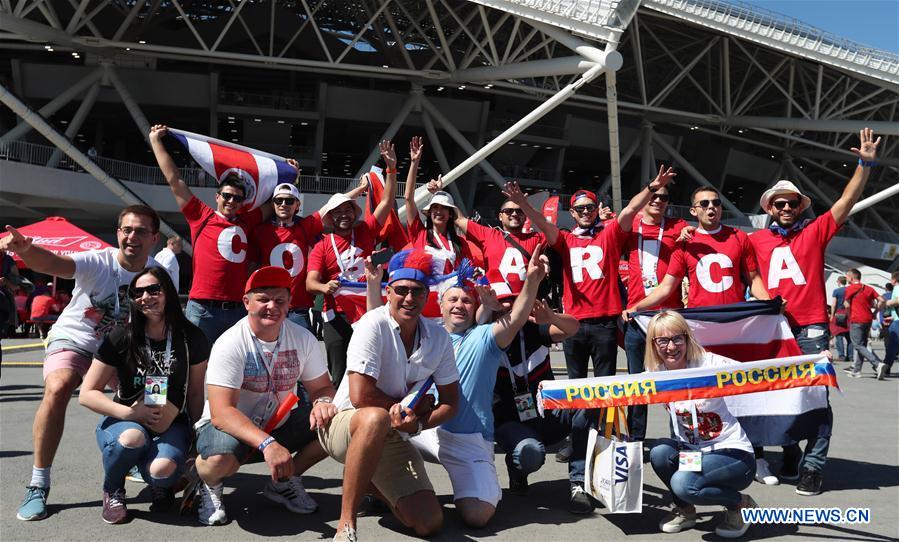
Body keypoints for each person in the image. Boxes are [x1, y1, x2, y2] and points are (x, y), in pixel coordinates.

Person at [2, 205, 161, 521]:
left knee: (156, 395)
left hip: (123, 350)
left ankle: (142, 460)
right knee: (58, 387)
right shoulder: (98, 260)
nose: (132, 236)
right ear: (118, 233)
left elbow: (161, 322)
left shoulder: (158, 274)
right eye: (127, 229)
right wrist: (28, 251)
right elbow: (55, 263)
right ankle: (38, 482)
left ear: (154, 238)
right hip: (77, 339)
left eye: (141, 231)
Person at [747, 127, 882, 493]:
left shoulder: (817, 230)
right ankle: (789, 450)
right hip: (772, 329)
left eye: (793, 203)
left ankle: (813, 465)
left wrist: (864, 165)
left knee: (815, 398)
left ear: (801, 206)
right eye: (780, 203)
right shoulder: (754, 240)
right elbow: (747, 274)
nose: (786, 208)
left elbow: (846, 200)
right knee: (773, 394)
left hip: (811, 329)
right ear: (770, 208)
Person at [318, 249, 461, 541]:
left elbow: (451, 403)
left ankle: (371, 480)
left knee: (429, 522)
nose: (409, 298)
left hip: (394, 430)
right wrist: (410, 413)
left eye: (417, 291)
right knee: (374, 418)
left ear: (426, 295)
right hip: (345, 424)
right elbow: (360, 395)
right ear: (388, 292)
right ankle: (347, 523)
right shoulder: (373, 324)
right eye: (401, 290)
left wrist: (418, 424)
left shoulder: (439, 337)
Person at [192, 266, 338, 526]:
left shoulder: (302, 338)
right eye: (263, 299)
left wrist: (323, 403)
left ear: (290, 303)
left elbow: (323, 388)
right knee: (218, 460)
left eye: (280, 300)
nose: (272, 306)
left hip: (277, 424)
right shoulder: (230, 343)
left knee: (335, 423)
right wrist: (267, 444)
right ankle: (208, 484)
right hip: (230, 429)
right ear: (247, 302)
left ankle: (283, 483)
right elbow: (221, 412)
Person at [507, 165, 676, 380]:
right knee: (575, 388)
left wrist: (653, 187)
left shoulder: (610, 234)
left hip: (605, 323)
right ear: (572, 213)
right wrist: (523, 204)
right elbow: (542, 223)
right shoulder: (565, 240)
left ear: (597, 209)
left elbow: (630, 210)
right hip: (572, 323)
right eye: (580, 209)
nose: (586, 211)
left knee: (604, 388)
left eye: (590, 207)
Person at [78, 268, 209, 524]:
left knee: (162, 471)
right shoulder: (122, 337)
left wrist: (197, 437)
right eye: (138, 292)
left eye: (154, 290)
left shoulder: (191, 337)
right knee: (132, 439)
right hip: (124, 421)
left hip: (171, 421)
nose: (145, 297)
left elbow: (194, 392)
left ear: (168, 293)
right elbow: (87, 393)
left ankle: (159, 482)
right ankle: (113, 488)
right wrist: (130, 413)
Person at [149, 124, 271, 343]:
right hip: (203, 309)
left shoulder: (247, 221)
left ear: (243, 202)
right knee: (196, 369)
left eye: (237, 198)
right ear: (217, 196)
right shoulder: (200, 215)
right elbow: (175, 180)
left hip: (237, 310)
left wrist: (292, 174)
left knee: (234, 371)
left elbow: (274, 203)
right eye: (227, 195)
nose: (231, 201)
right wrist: (156, 141)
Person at [645, 311, 758, 538]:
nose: (671, 347)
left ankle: (740, 505)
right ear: (653, 345)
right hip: (695, 453)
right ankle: (686, 511)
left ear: (687, 338)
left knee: (684, 483)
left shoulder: (711, 363)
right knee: (659, 452)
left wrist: (813, 363)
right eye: (663, 341)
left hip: (732, 455)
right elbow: (619, 391)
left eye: (677, 338)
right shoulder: (655, 374)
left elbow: (760, 375)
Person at [484, 276, 584, 510]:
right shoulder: (482, 337)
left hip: (547, 413)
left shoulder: (531, 328)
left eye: (511, 301)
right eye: (499, 303)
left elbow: (573, 328)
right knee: (530, 452)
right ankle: (517, 468)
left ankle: (579, 483)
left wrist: (551, 317)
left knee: (586, 408)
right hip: (509, 422)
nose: (506, 307)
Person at [306, 140, 398, 386]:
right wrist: (325, 288)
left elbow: (386, 203)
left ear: (354, 213)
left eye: (348, 210)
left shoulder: (366, 231)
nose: (343, 215)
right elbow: (310, 282)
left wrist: (391, 169)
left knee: (368, 367)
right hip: (335, 316)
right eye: (337, 212)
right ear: (331, 217)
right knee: (338, 372)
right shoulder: (322, 245)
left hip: (367, 311)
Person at [250, 179, 367, 331]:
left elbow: (333, 204)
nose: (283, 204)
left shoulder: (305, 227)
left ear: (297, 205)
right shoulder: (259, 231)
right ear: (273, 205)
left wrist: (361, 189)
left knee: (304, 354)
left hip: (298, 310)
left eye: (289, 200)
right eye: (279, 200)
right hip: (268, 308)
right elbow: (251, 270)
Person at [621, 181, 687, 441]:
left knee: (675, 383)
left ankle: (680, 437)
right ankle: (635, 439)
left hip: (669, 316)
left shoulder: (677, 227)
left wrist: (688, 236)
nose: (658, 200)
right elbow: (622, 217)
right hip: (637, 319)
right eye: (654, 196)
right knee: (638, 383)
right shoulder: (632, 225)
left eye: (664, 197)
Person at [401, 139, 472, 275]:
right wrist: (414, 163)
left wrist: (441, 193)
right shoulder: (419, 234)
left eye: (444, 208)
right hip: (425, 294)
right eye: (435, 208)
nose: (439, 211)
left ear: (451, 213)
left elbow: (468, 272)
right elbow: (408, 198)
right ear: (429, 212)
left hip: (449, 294)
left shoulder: (460, 243)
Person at [843, 268, 887, 380]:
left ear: (852, 278)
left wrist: (848, 316)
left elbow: (847, 305)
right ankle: (857, 371)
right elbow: (881, 300)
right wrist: (876, 312)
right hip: (868, 319)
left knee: (858, 345)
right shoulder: (868, 288)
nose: (846, 278)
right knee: (861, 345)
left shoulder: (849, 288)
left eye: (847, 276)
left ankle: (877, 364)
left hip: (856, 319)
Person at [830, 276, 853, 362]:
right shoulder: (850, 290)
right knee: (849, 336)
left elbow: (834, 304)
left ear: (839, 282)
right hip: (849, 313)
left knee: (839, 336)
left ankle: (842, 356)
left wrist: (832, 315)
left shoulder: (836, 291)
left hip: (839, 313)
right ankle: (850, 356)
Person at [882, 272, 899, 374]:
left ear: (894, 280)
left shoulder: (897, 288)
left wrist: (888, 303)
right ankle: (886, 366)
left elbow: (898, 300)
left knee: (892, 345)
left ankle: (885, 366)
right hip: (895, 319)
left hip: (897, 322)